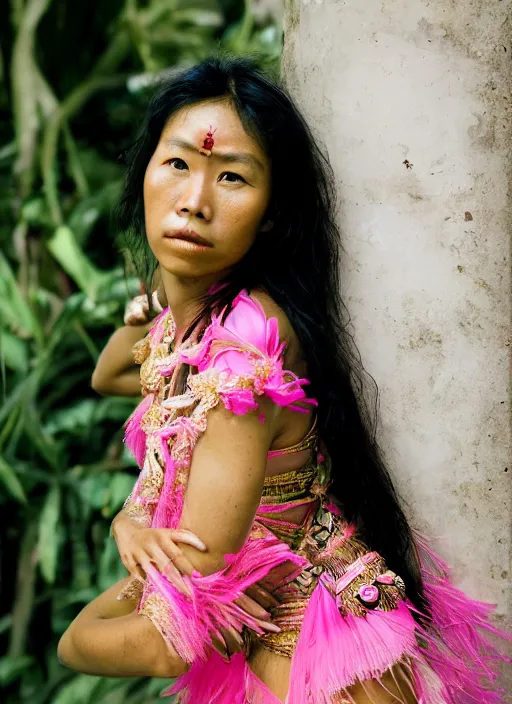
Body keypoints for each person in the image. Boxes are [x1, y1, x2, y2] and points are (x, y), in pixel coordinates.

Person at [57, 56, 510, 703]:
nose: (194, 200)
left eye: (232, 176)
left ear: (270, 213)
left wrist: (72, 641)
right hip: (271, 654)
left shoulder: (243, 359)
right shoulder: (189, 331)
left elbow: (164, 645)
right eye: (178, 164)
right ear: (144, 173)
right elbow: (113, 374)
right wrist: (166, 290)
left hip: (325, 661)